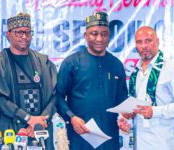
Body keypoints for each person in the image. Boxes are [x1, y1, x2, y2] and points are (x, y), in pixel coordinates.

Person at [0, 12, 57, 149]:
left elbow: (55, 95)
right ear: (8, 34)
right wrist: (28, 118)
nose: (24, 37)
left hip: (38, 132)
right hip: (9, 132)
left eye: (27, 32)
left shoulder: (43, 62)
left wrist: (40, 121)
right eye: (19, 33)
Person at [57, 11, 128, 150]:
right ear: (85, 35)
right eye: (94, 33)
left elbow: (122, 100)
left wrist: (124, 116)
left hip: (109, 138)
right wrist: (71, 117)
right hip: (80, 136)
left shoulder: (116, 64)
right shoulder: (72, 63)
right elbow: (57, 96)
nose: (100, 38)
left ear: (109, 36)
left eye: (104, 33)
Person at [118, 26, 174, 150]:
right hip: (139, 144)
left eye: (148, 40)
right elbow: (137, 106)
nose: (144, 46)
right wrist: (125, 118)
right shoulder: (135, 73)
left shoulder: (172, 69)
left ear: (157, 42)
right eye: (139, 42)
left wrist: (155, 111)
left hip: (164, 144)